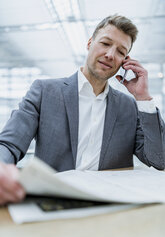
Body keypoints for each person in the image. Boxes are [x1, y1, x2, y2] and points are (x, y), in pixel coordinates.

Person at [0, 14, 164, 205]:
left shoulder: (129, 106)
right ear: (89, 43)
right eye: (105, 43)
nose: (110, 54)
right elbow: (9, 143)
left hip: (109, 206)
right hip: (54, 202)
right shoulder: (45, 92)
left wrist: (143, 98)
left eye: (120, 51)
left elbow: (159, 160)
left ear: (124, 62)